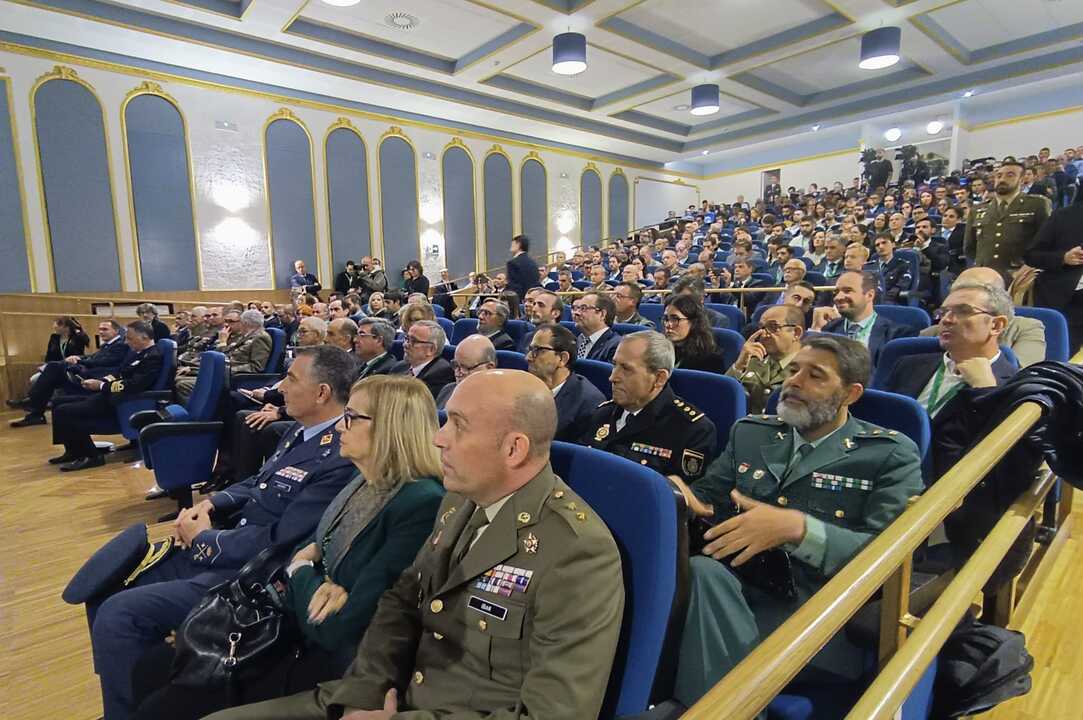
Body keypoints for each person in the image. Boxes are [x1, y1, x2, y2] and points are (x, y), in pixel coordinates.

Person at [208, 370, 624, 720]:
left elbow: (551, 715)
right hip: (388, 692)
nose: (439, 438)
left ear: (513, 449)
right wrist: (366, 691)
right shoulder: (460, 499)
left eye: (457, 425)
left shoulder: (576, 552)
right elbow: (402, 602)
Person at [130, 375, 446, 720]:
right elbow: (315, 544)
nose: (341, 426)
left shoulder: (420, 501)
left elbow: (337, 626)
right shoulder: (365, 480)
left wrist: (302, 569)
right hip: (289, 622)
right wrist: (317, 574)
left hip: (330, 657)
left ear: (390, 428)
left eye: (352, 417)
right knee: (151, 667)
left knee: (160, 704)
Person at [72, 346, 356, 720]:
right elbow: (259, 482)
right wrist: (212, 503)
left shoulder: (338, 454)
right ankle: (128, 693)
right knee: (106, 585)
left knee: (119, 613)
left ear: (321, 393)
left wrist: (204, 539)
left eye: (291, 379)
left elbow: (280, 541)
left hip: (246, 572)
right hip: (225, 541)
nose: (281, 387)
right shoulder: (298, 433)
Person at [670, 335, 922, 704]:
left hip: (815, 612)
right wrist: (685, 498)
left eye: (815, 375)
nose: (794, 381)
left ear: (850, 394)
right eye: (792, 370)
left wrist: (799, 530)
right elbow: (710, 499)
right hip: (734, 582)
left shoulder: (888, 454)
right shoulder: (752, 432)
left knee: (700, 584)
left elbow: (889, 556)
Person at [581, 331, 716, 483]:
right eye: (614, 365)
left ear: (659, 378)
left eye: (626, 369)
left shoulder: (691, 429)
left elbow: (680, 499)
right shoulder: (602, 413)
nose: (613, 377)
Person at [883, 283, 1018, 420]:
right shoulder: (908, 365)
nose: (946, 320)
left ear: (996, 325)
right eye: (943, 312)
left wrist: (985, 390)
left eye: (963, 311)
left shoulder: (1016, 386)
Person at [44, 321, 163, 472]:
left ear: (144, 337)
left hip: (122, 401)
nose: (126, 342)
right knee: (58, 402)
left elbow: (135, 385)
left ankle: (91, 456)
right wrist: (102, 381)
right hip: (109, 395)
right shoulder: (137, 354)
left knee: (66, 410)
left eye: (130, 338)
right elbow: (119, 373)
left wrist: (101, 386)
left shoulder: (153, 356)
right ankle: (73, 451)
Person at [9, 319, 129, 427]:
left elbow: (104, 361)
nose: (101, 332)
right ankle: (35, 413)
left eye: (105, 329)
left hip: (97, 377)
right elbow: (93, 356)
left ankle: (33, 405)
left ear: (116, 331)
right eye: (100, 329)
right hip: (87, 372)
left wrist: (80, 360)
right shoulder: (108, 345)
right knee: (53, 371)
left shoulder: (120, 345)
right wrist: (77, 357)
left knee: (54, 368)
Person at [920, 267, 1047, 367]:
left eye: (964, 310)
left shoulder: (1025, 328)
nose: (947, 319)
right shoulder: (930, 334)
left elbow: (1021, 372)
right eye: (957, 290)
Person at [964, 157, 1052, 282]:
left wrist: (1030, 267)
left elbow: (1046, 241)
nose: (1002, 179)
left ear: (1022, 180)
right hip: (986, 277)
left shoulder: (1037, 204)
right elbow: (970, 247)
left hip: (1021, 277)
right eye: (999, 175)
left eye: (1010, 175)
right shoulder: (978, 210)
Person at [811, 270, 915, 366]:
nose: (838, 297)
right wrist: (815, 329)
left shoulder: (897, 334)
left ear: (869, 295)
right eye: (836, 292)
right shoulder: (829, 329)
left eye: (847, 291)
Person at [1026, 192, 1083, 356]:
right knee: (1055, 359)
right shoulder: (1063, 217)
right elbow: (1032, 255)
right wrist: (1064, 258)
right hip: (1063, 301)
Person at [526, 322, 605, 442]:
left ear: (562, 359)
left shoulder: (588, 403)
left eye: (538, 350)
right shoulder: (523, 387)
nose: (528, 357)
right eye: (530, 349)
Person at [175, 309, 273, 403]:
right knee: (179, 378)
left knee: (183, 384)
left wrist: (226, 369)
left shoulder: (261, 337)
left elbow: (256, 367)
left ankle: (198, 416)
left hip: (234, 378)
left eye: (234, 322)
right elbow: (226, 355)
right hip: (225, 372)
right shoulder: (247, 336)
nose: (226, 325)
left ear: (245, 323)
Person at [726, 304, 805, 414]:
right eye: (762, 328)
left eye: (773, 327)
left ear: (796, 333)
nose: (764, 334)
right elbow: (723, 397)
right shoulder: (753, 360)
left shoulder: (807, 369)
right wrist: (739, 365)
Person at [391, 319, 454, 399]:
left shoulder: (441, 373)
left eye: (413, 341)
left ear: (431, 349)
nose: (405, 344)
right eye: (406, 339)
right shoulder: (399, 367)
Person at [663, 293, 725, 373]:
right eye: (666, 319)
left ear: (693, 322)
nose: (668, 324)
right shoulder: (658, 351)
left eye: (675, 319)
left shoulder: (711, 360)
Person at [435, 334, 497, 410]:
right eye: (455, 365)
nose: (457, 373)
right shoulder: (447, 390)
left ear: (489, 368)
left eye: (465, 367)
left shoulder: (497, 403)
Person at [572, 291, 622, 362]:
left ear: (602, 314)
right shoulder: (577, 340)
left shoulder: (616, 346)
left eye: (583, 308)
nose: (576, 313)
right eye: (576, 308)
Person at [867, 232, 913, 305]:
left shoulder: (903, 265)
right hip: (867, 301)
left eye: (884, 243)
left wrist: (880, 299)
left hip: (889, 301)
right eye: (877, 245)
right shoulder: (868, 267)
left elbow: (900, 287)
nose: (881, 246)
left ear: (893, 244)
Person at [505, 233, 541, 301]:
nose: (511, 246)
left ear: (518, 244)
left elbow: (514, 286)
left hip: (518, 300)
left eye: (513, 244)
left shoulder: (513, 263)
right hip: (532, 299)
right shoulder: (533, 263)